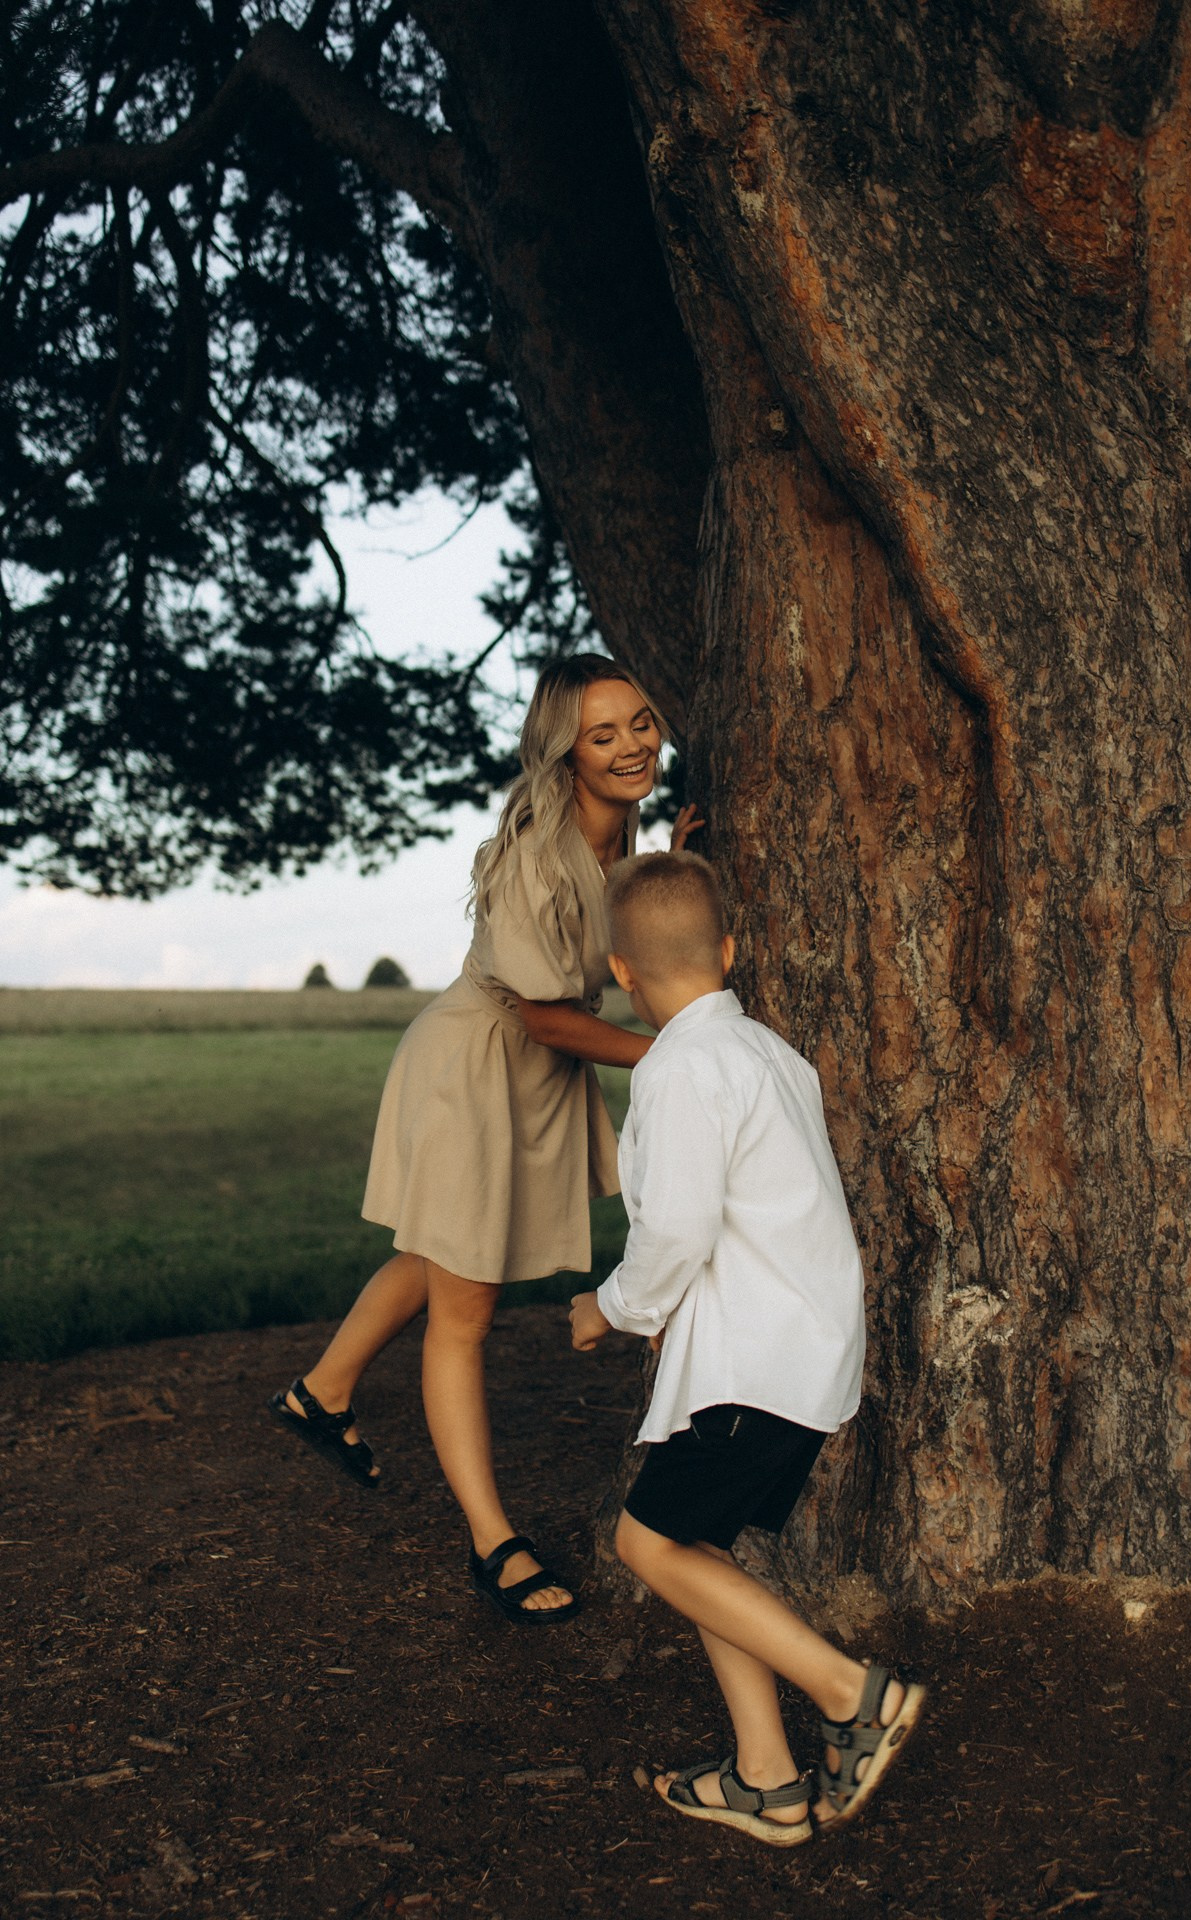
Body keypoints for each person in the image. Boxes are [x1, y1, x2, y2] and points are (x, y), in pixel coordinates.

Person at [270, 655, 703, 1624]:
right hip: (475, 1072)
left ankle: (322, 1391)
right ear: (564, 750)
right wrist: (679, 1045)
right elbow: (549, 1016)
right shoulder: (533, 850)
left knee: (438, 1257)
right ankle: (491, 1544)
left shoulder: (615, 829)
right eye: (604, 734)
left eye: (641, 721)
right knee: (464, 1311)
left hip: (523, 1078)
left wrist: (663, 866)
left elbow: (604, 940)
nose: (632, 744)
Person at [569, 851, 925, 1842]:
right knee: (696, 1549)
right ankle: (765, 1781)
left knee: (647, 1544)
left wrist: (610, 1307)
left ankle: (851, 1694)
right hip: (790, 1355)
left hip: (752, 1364)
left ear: (621, 972)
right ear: (728, 950)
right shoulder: (770, 1055)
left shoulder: (681, 1070)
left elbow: (676, 1232)